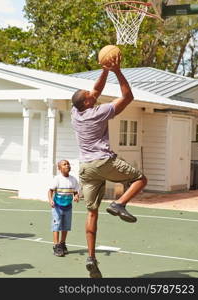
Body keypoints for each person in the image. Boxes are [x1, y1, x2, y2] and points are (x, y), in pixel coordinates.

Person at [70, 55, 148, 278]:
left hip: (85, 167)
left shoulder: (75, 113)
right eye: (89, 96)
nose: (93, 94)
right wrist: (117, 71)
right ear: (87, 103)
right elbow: (128, 96)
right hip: (103, 161)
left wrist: (104, 70)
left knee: (92, 212)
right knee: (141, 179)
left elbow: (95, 89)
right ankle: (120, 204)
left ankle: (91, 257)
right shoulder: (100, 112)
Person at [48, 160, 79, 257]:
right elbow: (50, 191)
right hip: (57, 207)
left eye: (68, 164)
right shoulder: (57, 179)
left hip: (68, 207)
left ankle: (62, 243)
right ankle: (56, 245)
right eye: (64, 164)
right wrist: (50, 200)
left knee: (66, 226)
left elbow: (76, 191)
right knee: (56, 225)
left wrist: (76, 196)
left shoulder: (73, 180)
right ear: (59, 168)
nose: (67, 165)